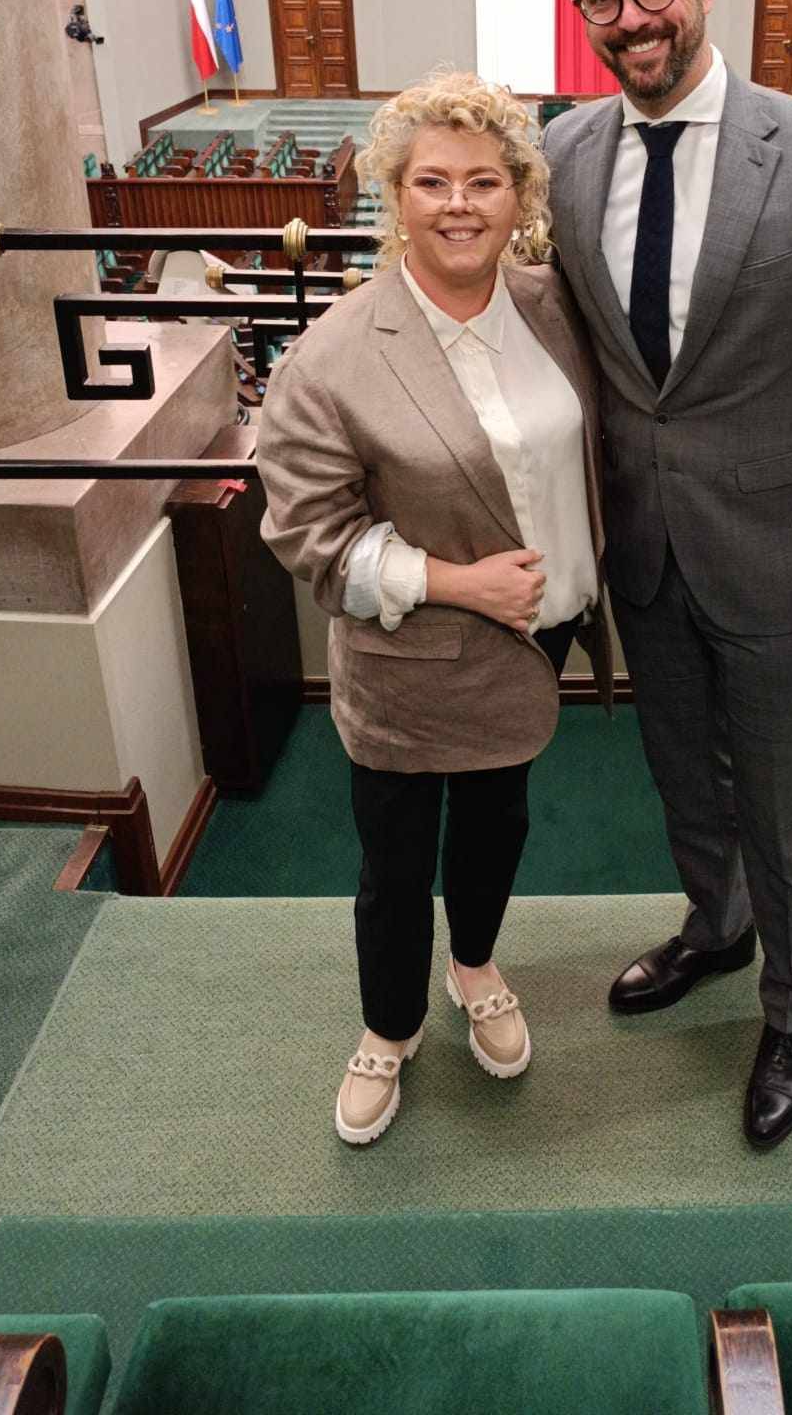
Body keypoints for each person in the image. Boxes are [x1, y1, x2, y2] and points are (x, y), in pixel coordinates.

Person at [542, 0, 792, 1150]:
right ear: (582, 12)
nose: (633, 17)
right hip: (645, 556)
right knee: (681, 784)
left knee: (780, 806)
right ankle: (716, 927)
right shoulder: (564, 154)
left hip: (783, 568)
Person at [256, 73, 612, 1146]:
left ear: (520, 197)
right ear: (394, 197)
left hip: (540, 636)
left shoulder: (554, 307)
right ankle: (388, 1027)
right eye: (433, 182)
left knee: (500, 825)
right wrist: (461, 584)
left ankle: (475, 967)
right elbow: (310, 539)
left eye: (485, 182)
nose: (461, 204)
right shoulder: (333, 356)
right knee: (396, 865)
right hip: (411, 657)